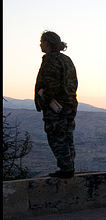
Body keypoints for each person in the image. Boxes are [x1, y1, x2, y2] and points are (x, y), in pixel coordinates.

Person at [34, 30, 78, 179]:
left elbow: (51, 86)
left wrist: (44, 102)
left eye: (42, 41)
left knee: (56, 136)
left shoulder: (51, 60)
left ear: (48, 42)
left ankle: (66, 169)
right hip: (70, 104)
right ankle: (69, 166)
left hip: (57, 107)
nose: (40, 44)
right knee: (67, 135)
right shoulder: (66, 60)